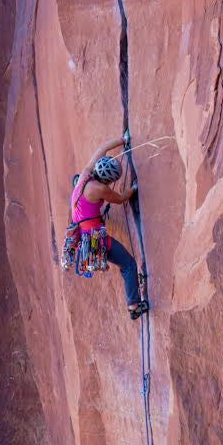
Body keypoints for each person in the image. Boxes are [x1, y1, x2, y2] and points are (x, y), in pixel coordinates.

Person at [71, 136, 148, 319]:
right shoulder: (100, 189)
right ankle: (134, 307)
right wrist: (134, 188)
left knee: (75, 181)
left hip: (82, 234)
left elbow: (103, 147)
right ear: (107, 181)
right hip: (95, 239)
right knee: (129, 264)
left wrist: (123, 139)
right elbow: (121, 199)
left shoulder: (85, 175)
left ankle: (133, 302)